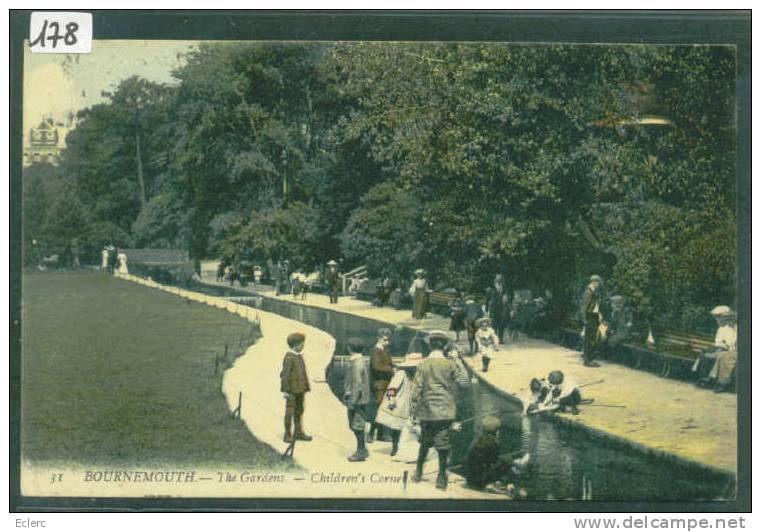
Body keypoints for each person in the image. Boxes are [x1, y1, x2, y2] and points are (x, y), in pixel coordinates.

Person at [410, 330, 469, 490]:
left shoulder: (423, 364)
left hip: (427, 410)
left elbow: (416, 390)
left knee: (424, 442)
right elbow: (464, 382)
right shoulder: (449, 364)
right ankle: (441, 476)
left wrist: (414, 413)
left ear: (430, 345)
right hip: (445, 410)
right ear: (444, 346)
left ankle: (418, 472)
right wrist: (458, 360)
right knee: (443, 444)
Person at [376, 352, 423, 457]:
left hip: (407, 403)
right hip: (399, 402)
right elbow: (392, 387)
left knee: (405, 427)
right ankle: (395, 447)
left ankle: (403, 448)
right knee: (396, 427)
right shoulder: (401, 373)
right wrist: (392, 399)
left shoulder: (415, 375)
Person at [463, 415, 512, 490]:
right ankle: (493, 483)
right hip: (478, 481)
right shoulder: (493, 442)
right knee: (508, 459)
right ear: (495, 430)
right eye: (498, 429)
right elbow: (492, 461)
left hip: (469, 478)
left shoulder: (478, 439)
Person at [695, 306, 737, 392]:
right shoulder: (723, 328)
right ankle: (706, 378)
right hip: (726, 350)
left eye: (721, 318)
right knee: (707, 355)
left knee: (723, 356)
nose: (719, 320)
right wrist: (721, 347)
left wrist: (727, 347)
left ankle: (721, 383)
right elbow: (719, 342)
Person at [280, 332, 313, 443]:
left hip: (300, 390)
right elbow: (285, 375)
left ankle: (298, 432)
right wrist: (285, 390)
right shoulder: (289, 357)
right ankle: (287, 434)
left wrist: (305, 387)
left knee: (299, 411)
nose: (303, 346)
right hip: (292, 391)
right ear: (296, 344)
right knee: (290, 411)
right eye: (302, 344)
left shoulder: (299, 356)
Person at [343, 337, 371, 461]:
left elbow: (357, 384)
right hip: (360, 399)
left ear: (349, 348)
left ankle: (361, 451)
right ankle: (362, 449)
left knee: (356, 425)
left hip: (357, 400)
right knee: (355, 425)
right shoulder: (360, 361)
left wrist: (352, 402)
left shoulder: (356, 363)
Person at [368, 328, 394, 443]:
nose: (387, 342)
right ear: (379, 338)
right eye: (385, 340)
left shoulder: (384, 350)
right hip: (379, 384)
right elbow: (376, 367)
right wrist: (391, 369)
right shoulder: (376, 351)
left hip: (386, 384)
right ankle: (371, 433)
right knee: (378, 408)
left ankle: (381, 434)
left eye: (388, 340)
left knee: (385, 407)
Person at [580, 275, 606, 367]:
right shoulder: (588, 292)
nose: (599, 285)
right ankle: (588, 360)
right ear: (594, 282)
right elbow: (584, 306)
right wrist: (584, 319)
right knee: (590, 339)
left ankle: (589, 358)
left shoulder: (593, 292)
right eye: (598, 283)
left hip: (593, 316)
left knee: (592, 338)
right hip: (590, 316)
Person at [486, 273, 511, 343]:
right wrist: (487, 309)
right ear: (495, 280)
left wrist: (506, 298)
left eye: (500, 279)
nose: (499, 281)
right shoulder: (491, 288)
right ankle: (494, 339)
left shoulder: (505, 288)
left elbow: (507, 298)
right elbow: (488, 299)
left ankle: (500, 339)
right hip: (493, 309)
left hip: (502, 308)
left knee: (501, 324)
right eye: (497, 279)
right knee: (494, 325)